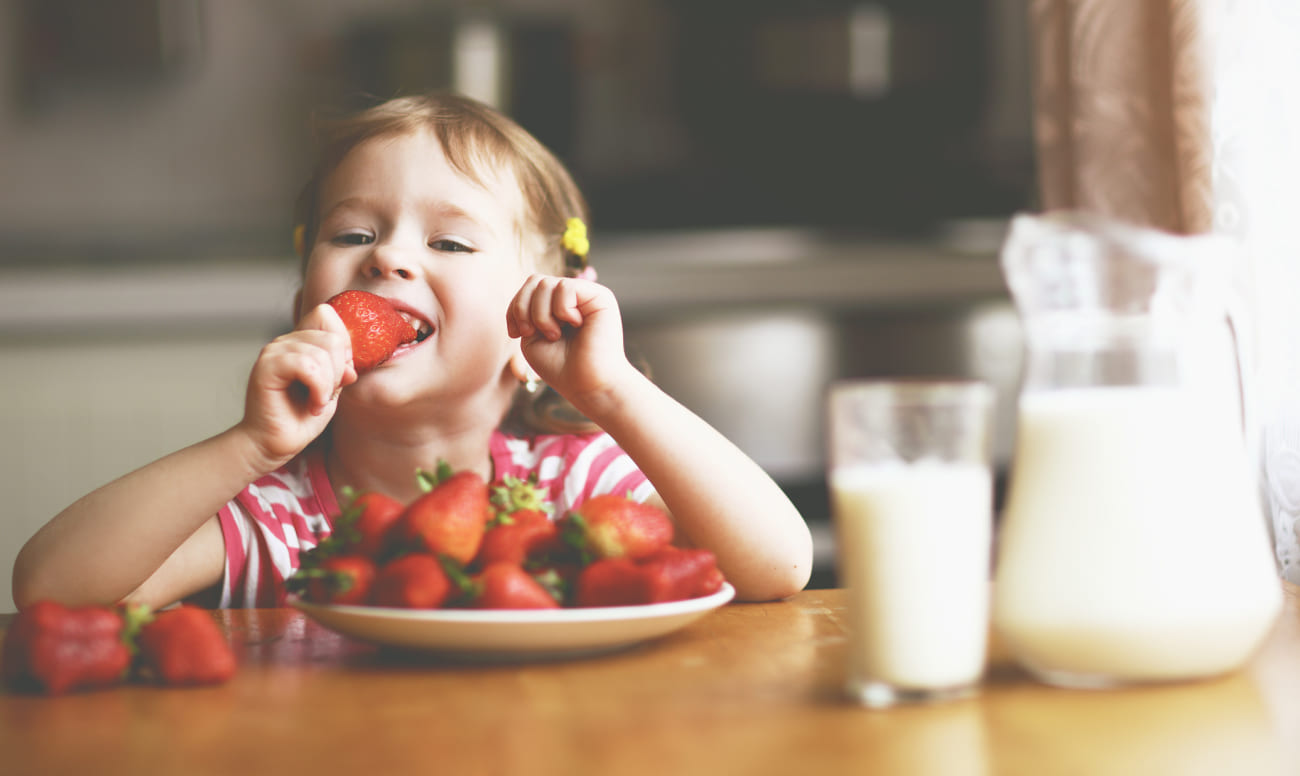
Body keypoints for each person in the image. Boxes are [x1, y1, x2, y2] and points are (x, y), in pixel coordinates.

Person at [12, 92, 813, 610]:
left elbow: (777, 567)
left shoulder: (573, 483)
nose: (388, 259)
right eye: (353, 233)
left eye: (451, 243)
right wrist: (249, 446)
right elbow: (52, 591)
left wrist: (613, 395)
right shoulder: (276, 515)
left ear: (532, 325)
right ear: (303, 308)